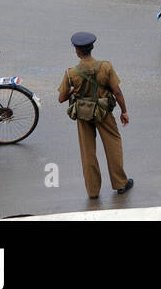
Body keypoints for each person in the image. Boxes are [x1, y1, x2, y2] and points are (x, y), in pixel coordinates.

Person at [57, 31, 133, 200]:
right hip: (104, 113)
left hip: (83, 116)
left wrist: (72, 90)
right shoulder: (106, 67)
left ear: (77, 51)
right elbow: (117, 92)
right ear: (92, 48)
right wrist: (124, 112)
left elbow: (61, 98)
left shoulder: (71, 73)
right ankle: (120, 184)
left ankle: (92, 191)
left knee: (88, 152)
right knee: (113, 145)